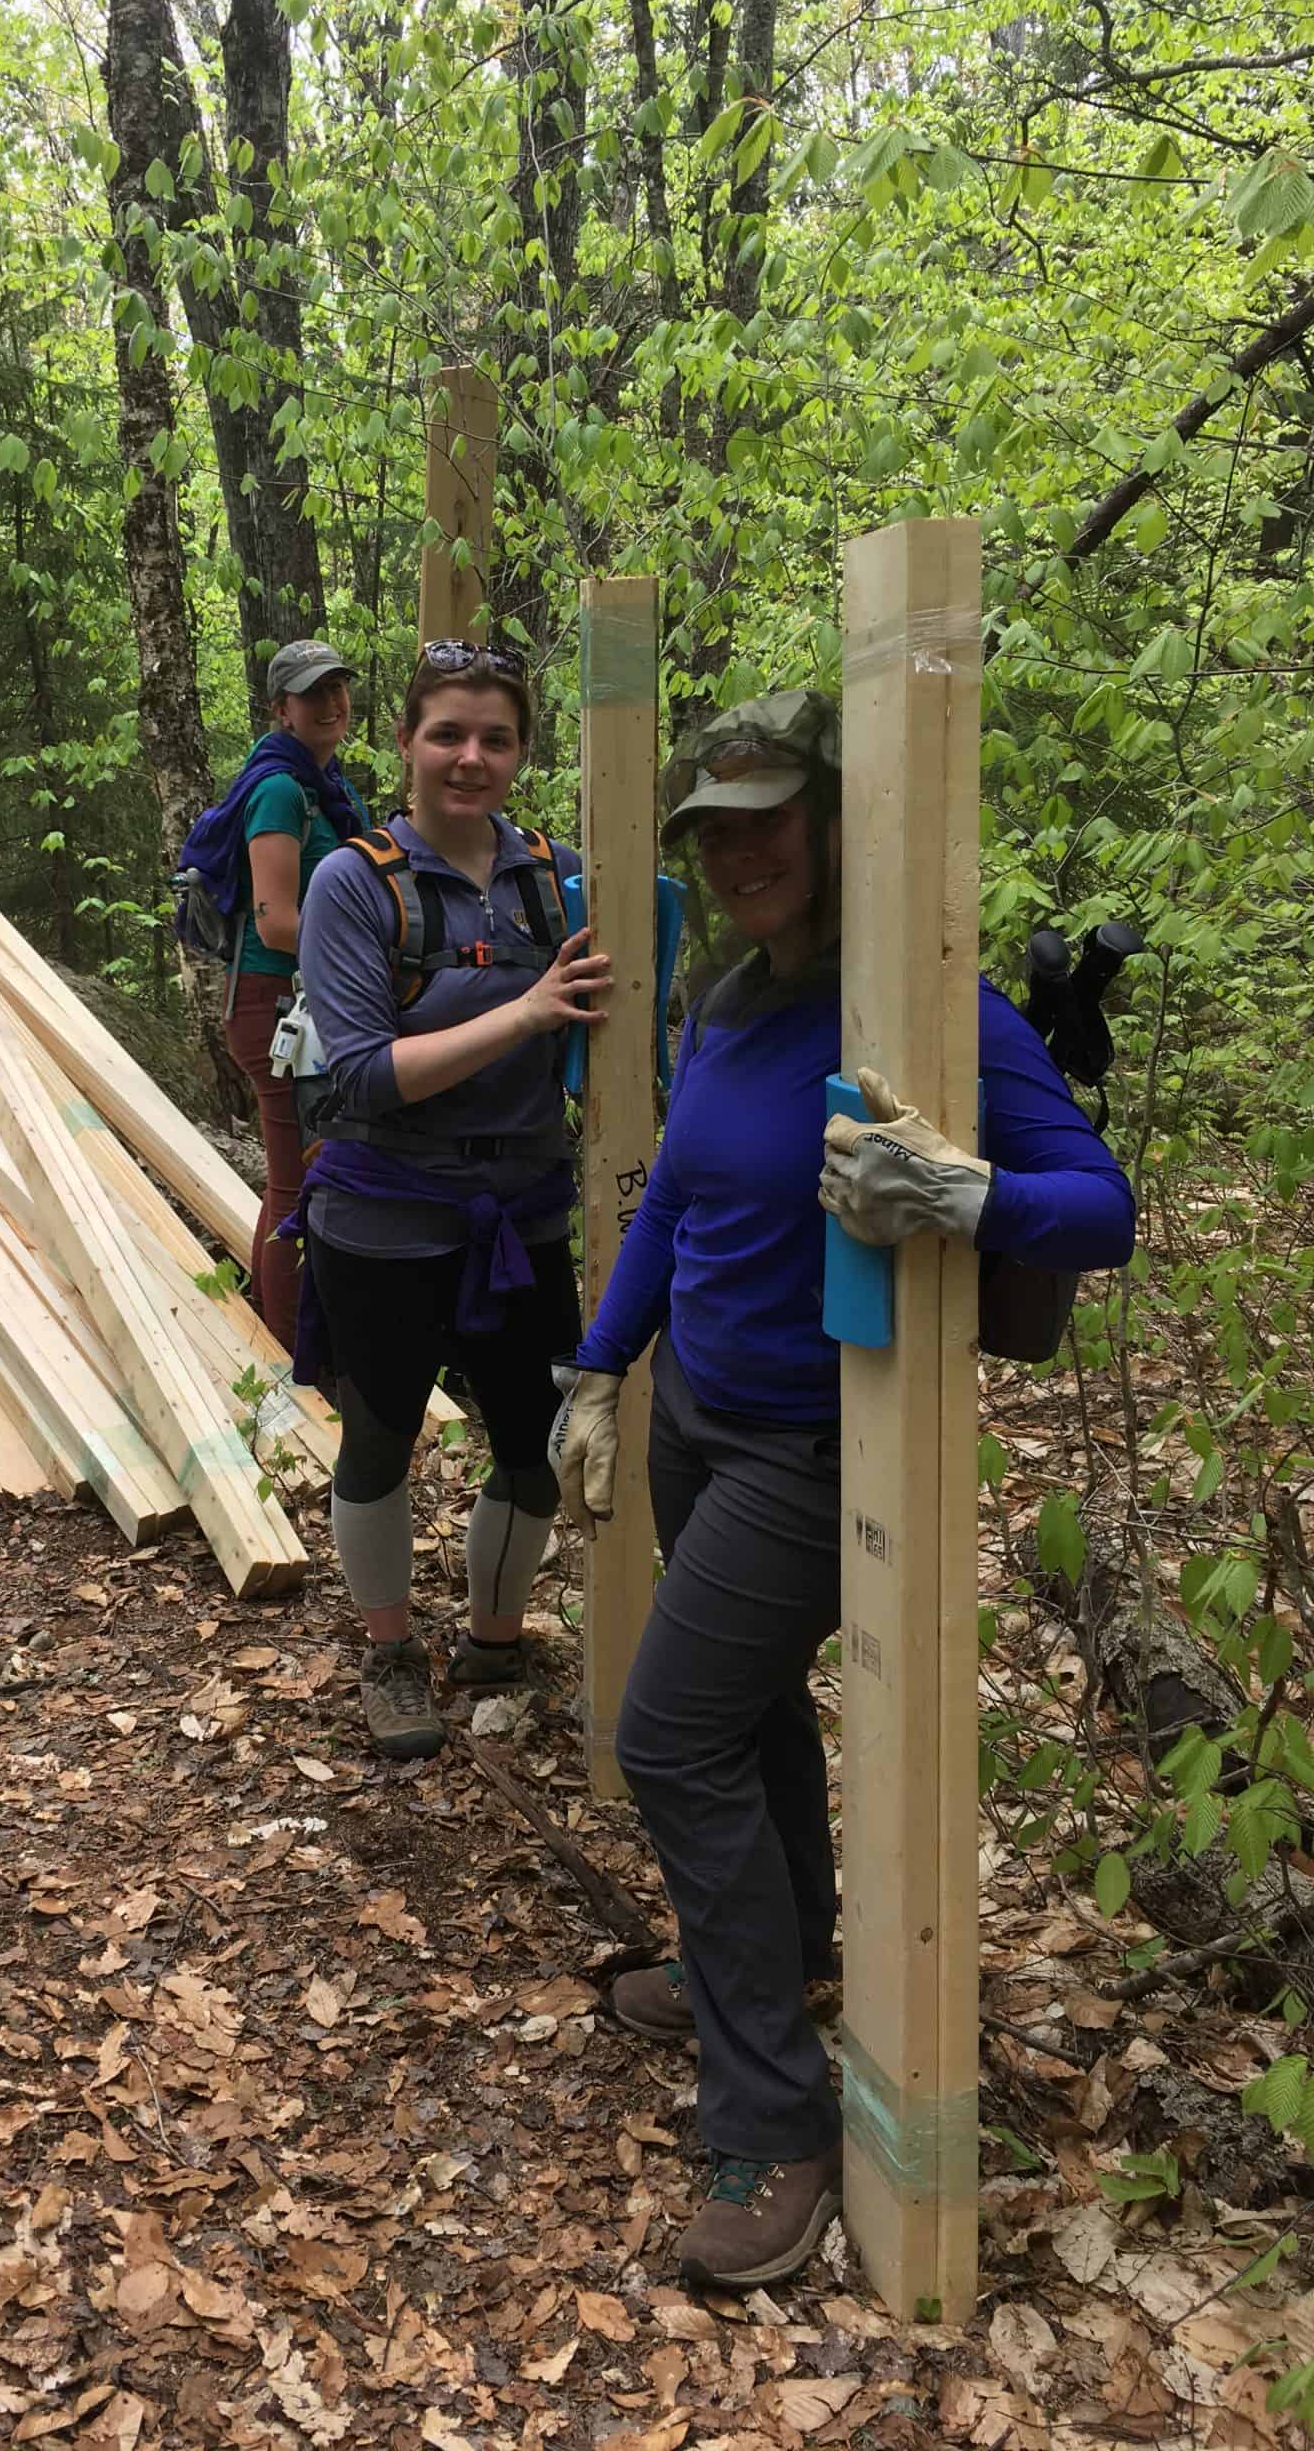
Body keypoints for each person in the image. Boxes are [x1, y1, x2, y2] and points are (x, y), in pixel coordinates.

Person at [550, 688, 1136, 2290]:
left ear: (828, 822)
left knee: (667, 1738)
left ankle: (775, 2119)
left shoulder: (921, 1005)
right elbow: (674, 1201)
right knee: (738, 1719)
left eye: (767, 822)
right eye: (713, 834)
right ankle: (774, 1953)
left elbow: (1100, 1207)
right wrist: (601, 1365)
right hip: (698, 1420)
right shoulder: (728, 995)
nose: (741, 854)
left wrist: (962, 1192)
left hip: (813, 1457)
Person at [290, 644, 612, 1760]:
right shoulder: (353, 883)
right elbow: (359, 1076)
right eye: (448, 735)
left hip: (522, 1214)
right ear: (406, 741)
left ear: (521, 752)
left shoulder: (560, 877)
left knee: (536, 1446)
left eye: (496, 738)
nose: (471, 758)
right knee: (381, 1438)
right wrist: (525, 1011)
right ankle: (390, 1654)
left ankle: (493, 1640)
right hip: (384, 1215)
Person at [222, 640, 370, 1350]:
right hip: (278, 1011)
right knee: (295, 1185)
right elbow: (276, 922)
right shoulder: (281, 790)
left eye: (338, 688)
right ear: (282, 709)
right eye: (314, 694)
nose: (332, 703)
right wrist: (370, 945)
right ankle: (283, 1352)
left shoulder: (328, 787)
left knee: (300, 1178)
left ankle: (282, 1332)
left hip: (312, 1007)